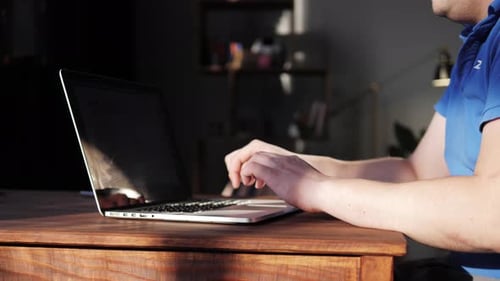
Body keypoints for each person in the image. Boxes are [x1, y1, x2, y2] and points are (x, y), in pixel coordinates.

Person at [224, 0, 500, 279]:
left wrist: (317, 189)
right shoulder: (481, 41)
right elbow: (417, 173)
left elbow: (492, 212)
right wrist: (286, 166)